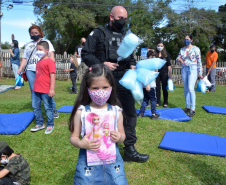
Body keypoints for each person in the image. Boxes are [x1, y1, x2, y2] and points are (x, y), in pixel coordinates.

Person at [81, 5, 149, 163]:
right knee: (102, 115)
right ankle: (100, 148)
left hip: (124, 80)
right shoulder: (98, 33)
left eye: (125, 18)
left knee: (130, 114)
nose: (123, 21)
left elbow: (131, 56)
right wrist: (102, 64)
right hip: (103, 80)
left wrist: (133, 65)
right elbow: (86, 54)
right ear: (111, 17)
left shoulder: (126, 36)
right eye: (120, 18)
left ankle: (130, 150)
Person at [69, 64, 128, 184]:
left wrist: (119, 137)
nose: (100, 92)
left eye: (105, 87)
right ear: (87, 89)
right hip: (88, 162)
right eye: (95, 88)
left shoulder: (116, 111)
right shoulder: (82, 112)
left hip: (112, 163)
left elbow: (123, 135)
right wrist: (81, 143)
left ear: (111, 87)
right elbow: (74, 137)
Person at [17, 25, 59, 119]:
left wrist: (51, 68)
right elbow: (25, 58)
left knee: (46, 90)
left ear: (40, 33)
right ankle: (37, 110)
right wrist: (20, 68)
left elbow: (51, 55)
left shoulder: (46, 42)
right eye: (32, 33)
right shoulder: (28, 45)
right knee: (34, 91)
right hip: (30, 70)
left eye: (36, 33)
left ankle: (53, 109)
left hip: (43, 70)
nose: (34, 34)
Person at [30, 41, 56, 134]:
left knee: (48, 107)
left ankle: (50, 124)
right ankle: (39, 123)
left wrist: (52, 89)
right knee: (35, 106)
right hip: (36, 89)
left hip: (45, 90)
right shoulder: (39, 62)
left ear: (46, 50)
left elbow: (52, 76)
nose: (38, 51)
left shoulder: (50, 62)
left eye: (40, 49)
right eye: (37, 49)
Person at [177, 34, 203, 117]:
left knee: (191, 88)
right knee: (186, 88)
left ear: (191, 40)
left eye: (187, 39)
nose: (186, 40)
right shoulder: (182, 49)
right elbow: (178, 58)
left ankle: (193, 109)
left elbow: (199, 61)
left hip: (193, 69)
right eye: (185, 39)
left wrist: (200, 73)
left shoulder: (196, 49)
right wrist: (179, 59)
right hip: (184, 69)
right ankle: (187, 106)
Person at [137, 50, 160, 119]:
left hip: (145, 85)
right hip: (150, 85)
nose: (153, 59)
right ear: (147, 58)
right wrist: (147, 85)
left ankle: (141, 113)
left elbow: (156, 72)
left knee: (145, 99)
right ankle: (153, 114)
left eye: (154, 57)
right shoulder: (147, 66)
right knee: (153, 99)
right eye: (151, 57)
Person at [155, 40, 172, 108]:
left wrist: (170, 73)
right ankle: (158, 102)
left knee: (164, 88)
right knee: (157, 88)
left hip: (164, 72)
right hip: (156, 73)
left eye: (161, 46)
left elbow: (169, 64)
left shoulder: (166, 54)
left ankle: (165, 102)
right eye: (158, 46)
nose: (160, 47)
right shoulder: (155, 54)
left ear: (163, 46)